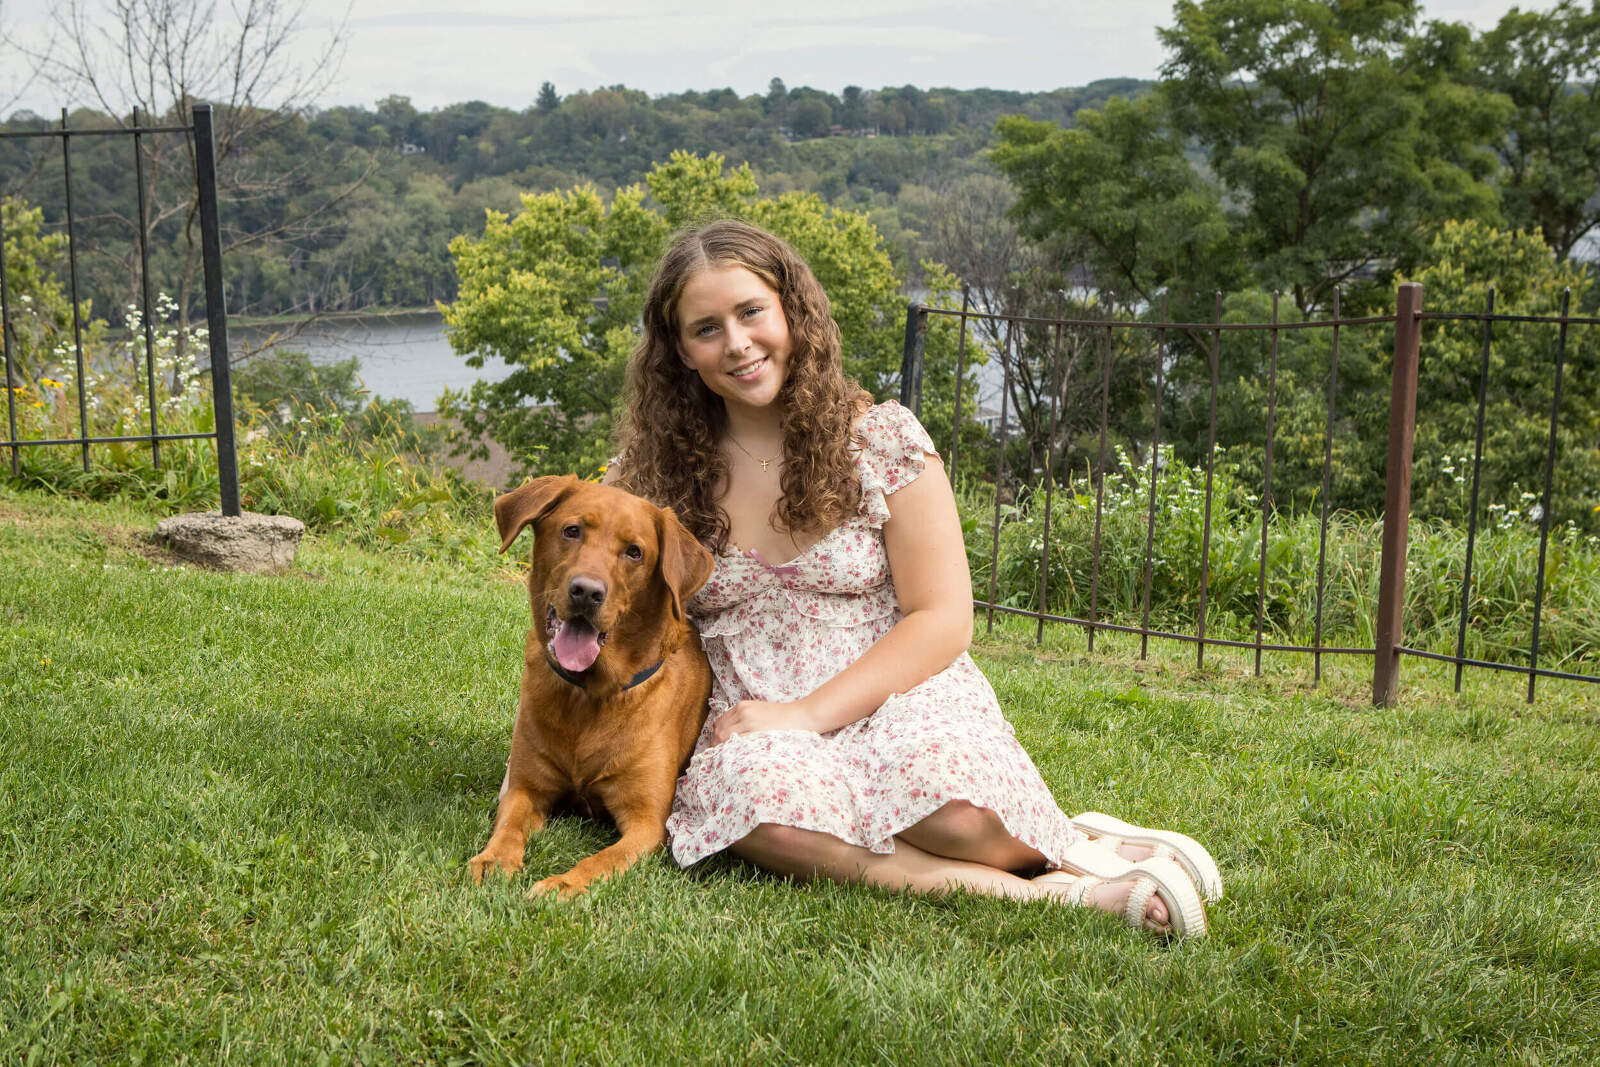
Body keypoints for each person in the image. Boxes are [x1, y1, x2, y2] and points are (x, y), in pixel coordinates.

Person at [607, 219, 1219, 938]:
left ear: (790, 310)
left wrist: (809, 712)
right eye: (706, 327)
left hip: (899, 689)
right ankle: (1072, 893)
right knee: (766, 817)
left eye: (751, 312)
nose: (737, 343)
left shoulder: (882, 440)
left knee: (954, 815)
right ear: (679, 350)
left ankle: (1082, 841)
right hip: (755, 711)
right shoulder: (648, 481)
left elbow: (942, 617)